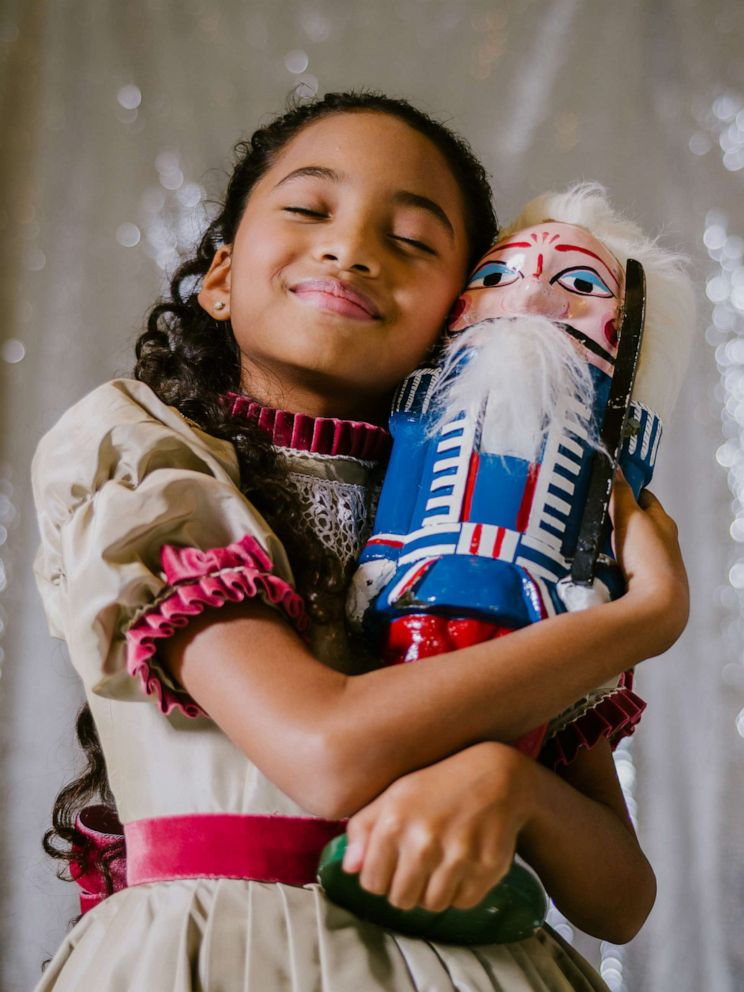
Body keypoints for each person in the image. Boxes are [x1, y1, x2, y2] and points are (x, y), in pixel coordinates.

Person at [32, 91, 688, 991]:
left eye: (413, 240)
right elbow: (324, 751)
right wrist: (644, 617)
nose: (353, 249)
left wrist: (518, 789)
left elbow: (619, 898)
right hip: (219, 959)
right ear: (220, 278)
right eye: (308, 209)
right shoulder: (148, 465)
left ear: (461, 318)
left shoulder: (500, 539)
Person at [349, 185, 695, 766]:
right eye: (496, 278)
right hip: (428, 575)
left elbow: (610, 509)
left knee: (511, 732)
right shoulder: (427, 404)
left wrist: (600, 581)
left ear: (622, 327)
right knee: (404, 716)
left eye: (581, 285)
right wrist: (381, 555)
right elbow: (407, 477)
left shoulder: (611, 432)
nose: (531, 296)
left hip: (535, 602)